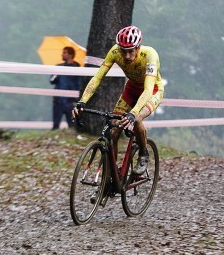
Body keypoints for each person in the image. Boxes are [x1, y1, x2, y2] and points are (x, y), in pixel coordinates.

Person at [72, 25, 165, 175]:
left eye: (130, 51)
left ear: (138, 46)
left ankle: (143, 154)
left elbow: (148, 89)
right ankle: (111, 174)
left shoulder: (150, 55)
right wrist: (82, 101)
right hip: (131, 89)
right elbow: (97, 78)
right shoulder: (115, 51)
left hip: (153, 90)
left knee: (137, 120)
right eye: (123, 51)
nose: (127, 56)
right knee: (114, 131)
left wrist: (133, 113)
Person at [50, 46, 81, 130]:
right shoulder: (58, 67)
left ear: (70, 55)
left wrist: (76, 99)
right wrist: (57, 73)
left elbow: (79, 84)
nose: (62, 54)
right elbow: (51, 80)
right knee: (55, 125)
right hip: (58, 100)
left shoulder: (77, 68)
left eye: (64, 52)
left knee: (72, 125)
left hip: (70, 101)